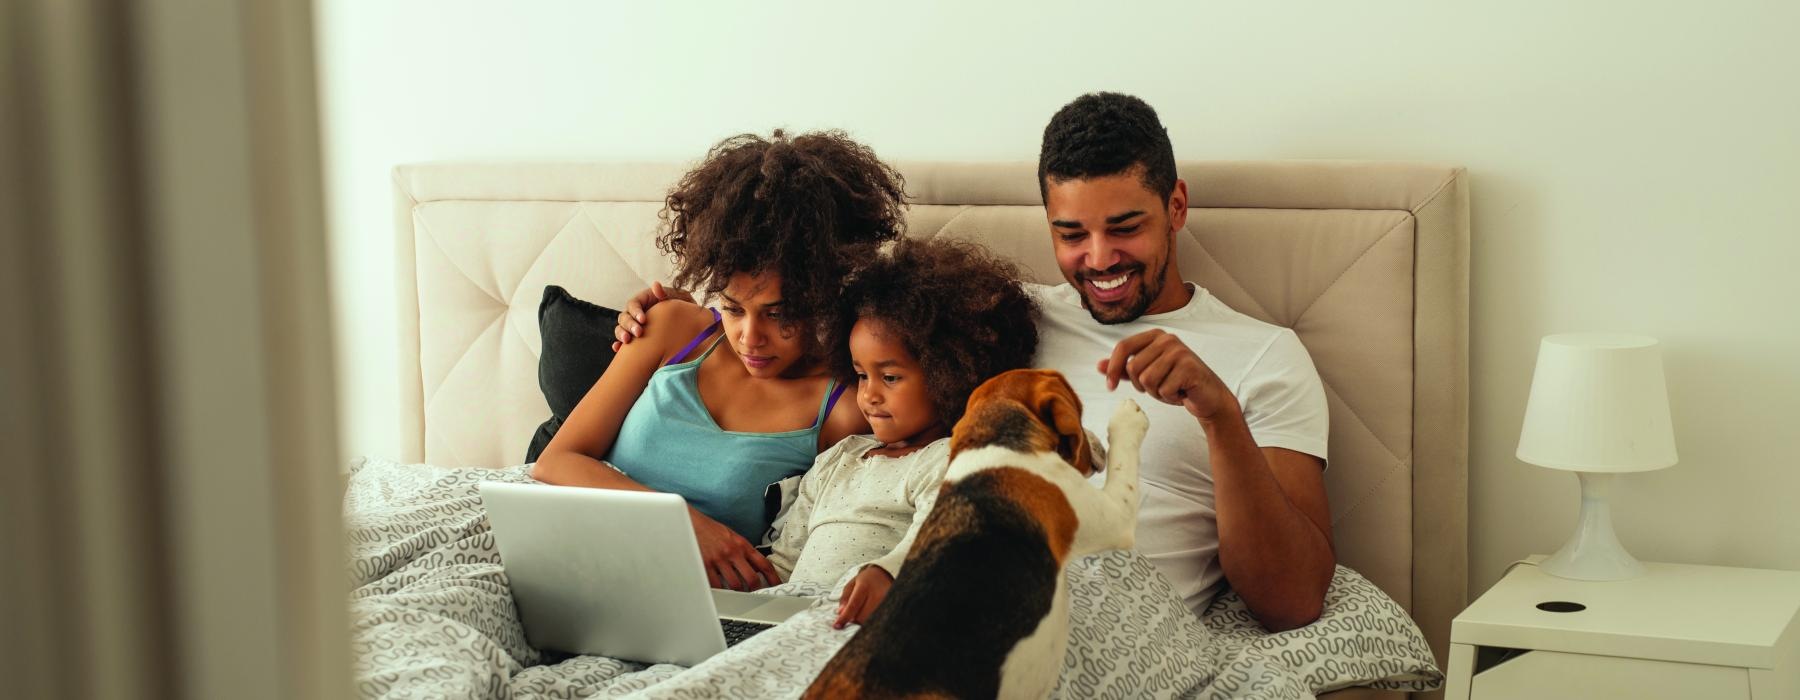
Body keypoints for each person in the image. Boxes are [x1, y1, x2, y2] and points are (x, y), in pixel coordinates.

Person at [616, 93, 1334, 630]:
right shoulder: (994, 314)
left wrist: (1219, 416)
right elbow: (818, 293)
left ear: (1176, 205)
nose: (1099, 259)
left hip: (1094, 617)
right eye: (1070, 233)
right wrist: (689, 310)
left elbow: (1293, 600)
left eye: (1125, 228)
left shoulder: (1263, 357)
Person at [532, 129, 904, 593]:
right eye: (732, 308)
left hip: (688, 598)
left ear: (826, 295)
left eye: (779, 313)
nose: (751, 337)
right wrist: (683, 522)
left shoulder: (843, 411)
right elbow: (555, 462)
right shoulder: (672, 328)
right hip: (572, 552)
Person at [762, 239, 1038, 629]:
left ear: (951, 374)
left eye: (889, 377)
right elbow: (783, 566)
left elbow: (937, 539)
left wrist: (888, 572)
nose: (869, 395)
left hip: (862, 624)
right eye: (861, 375)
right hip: (786, 618)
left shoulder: (949, 458)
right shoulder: (839, 458)